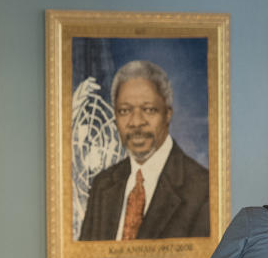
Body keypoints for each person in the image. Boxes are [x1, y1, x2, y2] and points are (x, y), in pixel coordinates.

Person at [78, 60, 208, 240]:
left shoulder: (203, 189)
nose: (136, 122)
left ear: (168, 114)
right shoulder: (102, 185)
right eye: (124, 111)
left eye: (148, 110)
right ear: (115, 116)